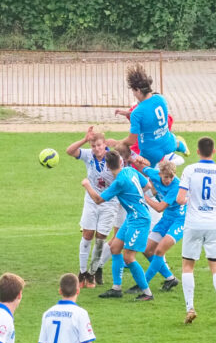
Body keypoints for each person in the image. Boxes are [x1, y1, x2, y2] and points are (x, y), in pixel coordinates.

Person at [81, 149, 154, 301]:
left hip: (139, 219)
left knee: (129, 257)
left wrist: (87, 185)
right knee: (115, 247)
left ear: (107, 166)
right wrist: (135, 197)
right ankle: (116, 288)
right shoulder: (129, 170)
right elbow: (147, 185)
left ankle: (147, 293)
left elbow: (98, 200)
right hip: (132, 216)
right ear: (121, 162)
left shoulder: (119, 182)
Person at [177, 137, 216, 325]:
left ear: (197, 152)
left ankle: (190, 308)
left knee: (188, 266)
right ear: (214, 151)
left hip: (193, 223)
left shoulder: (190, 170)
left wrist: (191, 201)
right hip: (213, 224)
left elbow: (180, 199)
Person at [66, 128, 119, 288]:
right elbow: (70, 151)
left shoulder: (113, 158)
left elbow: (119, 177)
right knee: (87, 234)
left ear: (105, 144)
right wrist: (84, 139)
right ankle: (82, 272)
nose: (96, 149)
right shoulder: (89, 155)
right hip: (91, 201)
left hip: (109, 202)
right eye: (93, 146)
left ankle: (92, 272)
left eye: (99, 145)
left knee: (100, 238)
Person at [118, 64, 183, 167]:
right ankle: (181, 146)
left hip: (151, 153)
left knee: (144, 173)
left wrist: (119, 143)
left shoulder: (137, 113)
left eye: (133, 91)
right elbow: (151, 115)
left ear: (138, 90)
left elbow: (132, 140)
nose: (133, 94)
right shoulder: (161, 98)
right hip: (168, 142)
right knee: (174, 143)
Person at [140, 159, 186, 292]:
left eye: (172, 176)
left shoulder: (176, 186)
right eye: (166, 177)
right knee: (146, 249)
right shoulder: (154, 173)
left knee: (159, 251)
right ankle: (170, 278)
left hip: (180, 220)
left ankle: (143, 284)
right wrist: (134, 158)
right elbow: (142, 167)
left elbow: (160, 208)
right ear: (160, 174)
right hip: (167, 218)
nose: (169, 180)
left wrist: (144, 197)